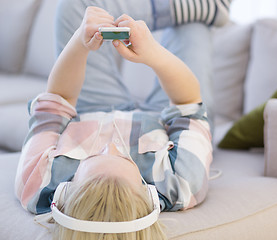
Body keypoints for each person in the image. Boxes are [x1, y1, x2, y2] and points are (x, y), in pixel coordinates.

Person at [14, 0, 231, 239]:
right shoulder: (182, 183)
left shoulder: (38, 183)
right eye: (127, 159)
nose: (113, 144)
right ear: (150, 195)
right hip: (167, 115)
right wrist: (153, 54)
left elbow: (58, 100)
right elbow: (188, 103)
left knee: (75, 7)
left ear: (64, 191)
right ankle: (205, 8)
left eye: (95, 155)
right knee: (193, 28)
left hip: (92, 108)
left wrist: (79, 43)